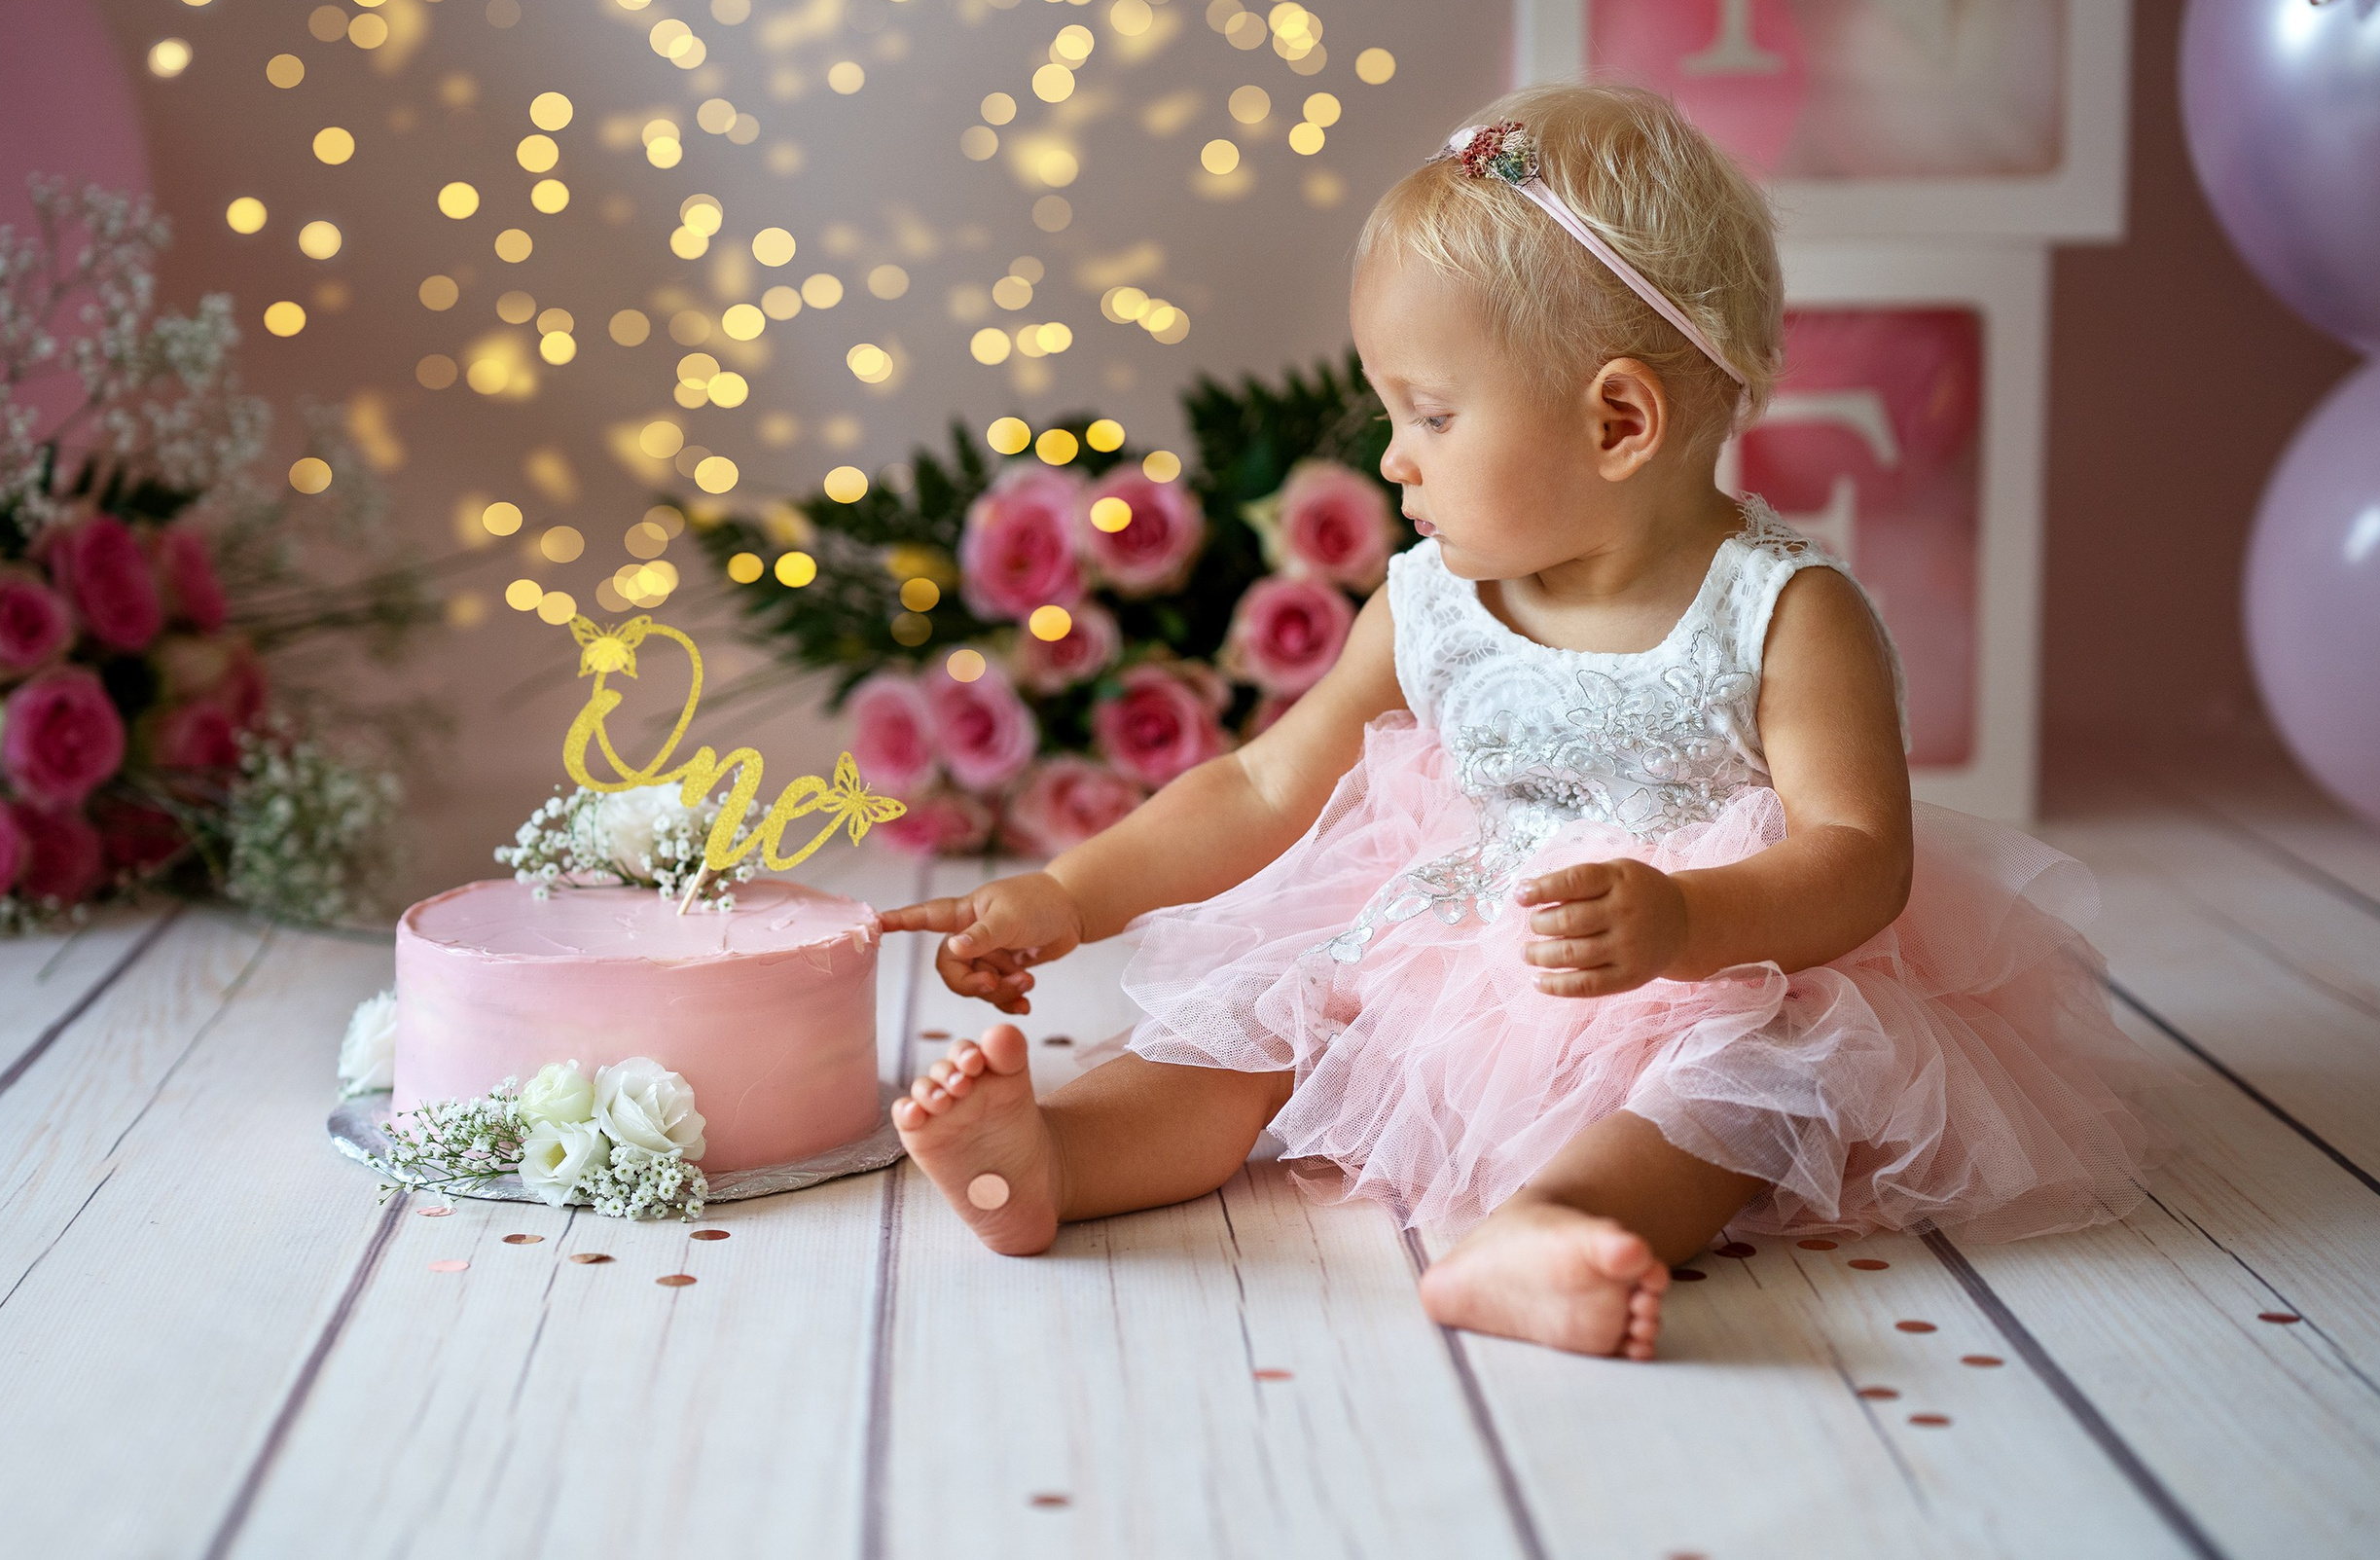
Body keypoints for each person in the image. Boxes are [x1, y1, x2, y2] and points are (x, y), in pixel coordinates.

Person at [879, 83, 2158, 1361]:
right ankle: (1061, 1152)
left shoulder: (1783, 616)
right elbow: (1266, 788)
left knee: (1752, 1084)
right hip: (1452, 931)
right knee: (1275, 1011)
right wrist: (1073, 894)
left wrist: (1689, 924)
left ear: (1617, 421)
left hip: (1705, 971)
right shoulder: (1431, 605)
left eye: (1431, 415)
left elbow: (1861, 856)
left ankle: (1556, 1225)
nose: (1394, 458)